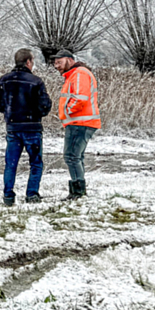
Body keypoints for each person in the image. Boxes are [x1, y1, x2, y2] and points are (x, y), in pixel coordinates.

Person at [0, 48, 52, 206]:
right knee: (36, 162)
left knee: (11, 163)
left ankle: (8, 196)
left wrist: (9, 111)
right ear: (28, 62)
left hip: (13, 127)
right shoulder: (36, 82)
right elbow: (45, 106)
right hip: (32, 128)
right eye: (32, 61)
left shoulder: (4, 80)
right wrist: (37, 113)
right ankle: (32, 194)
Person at [52, 50, 101, 200]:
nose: (56, 66)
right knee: (76, 157)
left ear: (70, 60)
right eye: (55, 63)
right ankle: (78, 190)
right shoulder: (75, 74)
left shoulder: (79, 74)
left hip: (80, 121)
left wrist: (68, 111)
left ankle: (77, 192)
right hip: (80, 121)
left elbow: (80, 98)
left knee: (71, 156)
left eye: (59, 62)